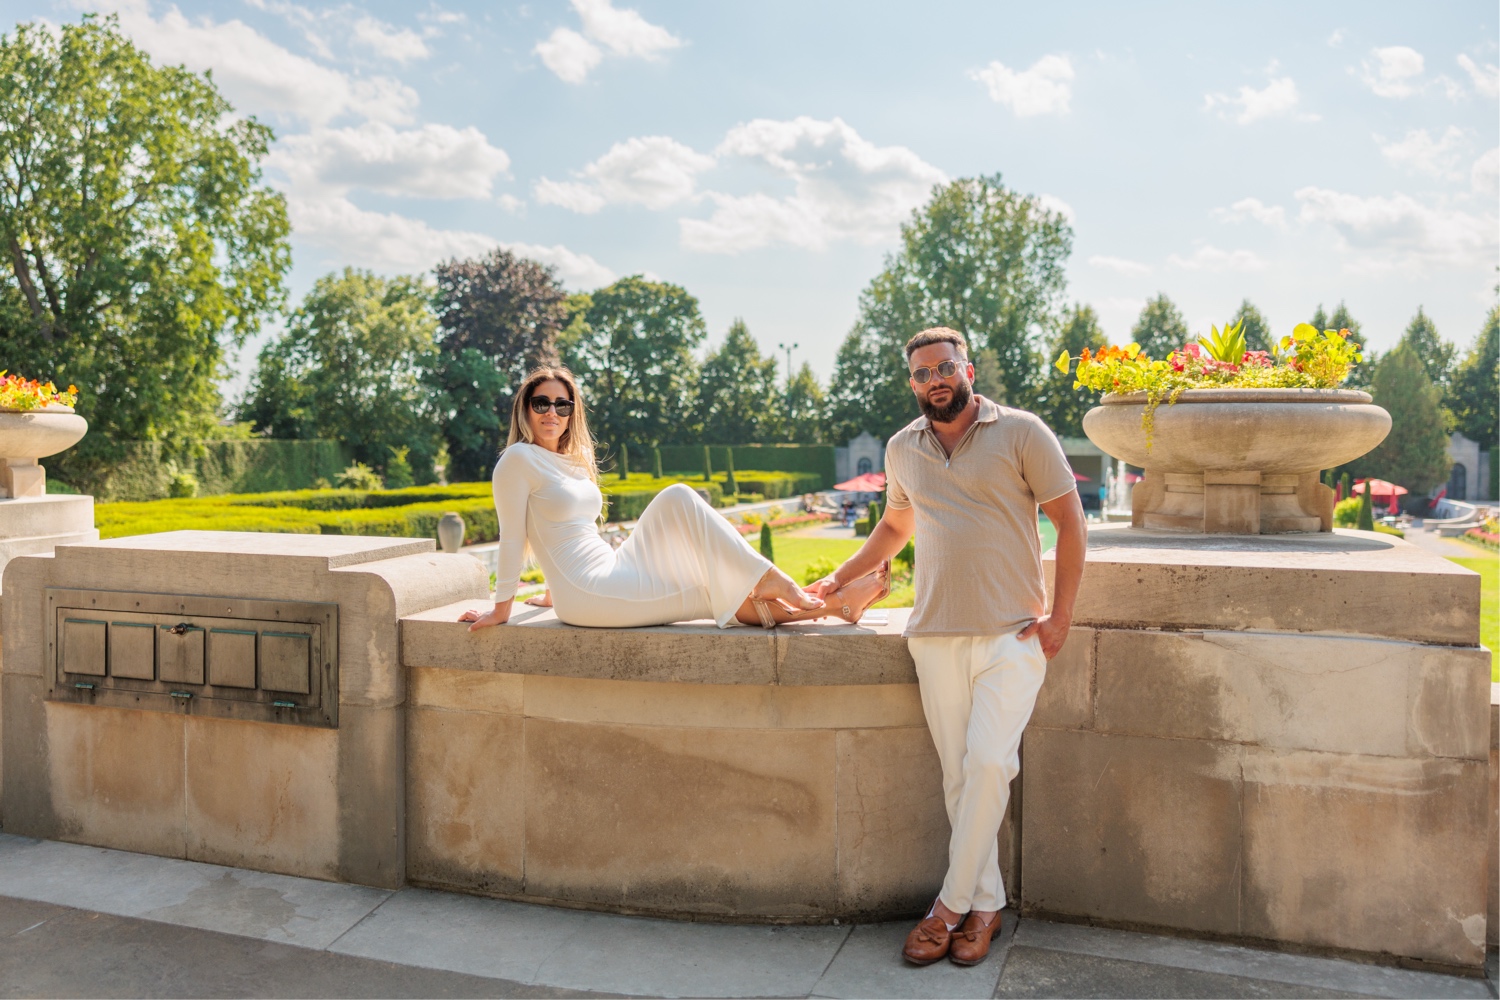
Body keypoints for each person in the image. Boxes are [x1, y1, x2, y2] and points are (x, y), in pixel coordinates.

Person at [805, 327, 1086, 967]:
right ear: (912, 382)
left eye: (944, 367)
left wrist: (1062, 617)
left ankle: (946, 909)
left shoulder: (1022, 431)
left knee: (987, 765)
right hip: (934, 637)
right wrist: (839, 579)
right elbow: (894, 525)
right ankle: (986, 907)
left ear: (968, 370)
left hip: (1013, 635)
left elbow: (1071, 521)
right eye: (922, 373)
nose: (934, 379)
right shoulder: (902, 447)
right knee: (959, 780)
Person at [460, 366, 889, 632]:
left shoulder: (572, 461)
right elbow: (513, 538)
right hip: (589, 592)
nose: (552, 412)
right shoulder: (517, 459)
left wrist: (552, 592)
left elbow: (564, 532)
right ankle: (824, 600)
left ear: (573, 412)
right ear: (525, 409)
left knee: (677, 499)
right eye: (541, 403)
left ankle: (818, 597)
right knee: (708, 585)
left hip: (610, 566)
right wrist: (501, 610)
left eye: (562, 404)